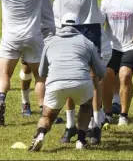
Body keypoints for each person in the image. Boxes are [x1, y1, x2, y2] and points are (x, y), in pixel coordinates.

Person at [38, 0, 106, 145]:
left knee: (92, 76)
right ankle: (69, 125)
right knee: (64, 71)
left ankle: (96, 123)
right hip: (63, 28)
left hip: (88, 27)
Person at [29, 13, 106, 152]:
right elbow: (101, 72)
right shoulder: (87, 42)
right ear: (78, 27)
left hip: (55, 84)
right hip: (81, 82)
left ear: (62, 26)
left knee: (47, 116)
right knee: (86, 106)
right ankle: (81, 139)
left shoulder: (50, 42)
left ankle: (40, 133)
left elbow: (41, 73)